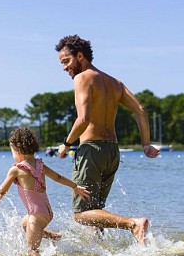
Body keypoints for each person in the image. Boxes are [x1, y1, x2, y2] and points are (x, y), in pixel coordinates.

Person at [55, 34, 160, 244]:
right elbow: (140, 110)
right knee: (95, 211)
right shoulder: (115, 83)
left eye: (66, 61)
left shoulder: (82, 78)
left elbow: (83, 119)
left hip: (91, 151)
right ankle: (100, 254)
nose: (64, 68)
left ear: (80, 56)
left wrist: (66, 145)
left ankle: (133, 224)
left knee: (81, 214)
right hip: (112, 152)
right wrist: (145, 144)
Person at [0, 127, 91, 256]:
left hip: (36, 216)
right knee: (23, 225)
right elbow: (58, 177)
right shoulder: (40, 164)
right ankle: (54, 236)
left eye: (12, 151)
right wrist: (75, 186)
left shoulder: (16, 169)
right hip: (47, 212)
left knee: (31, 250)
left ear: (17, 150)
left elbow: (1, 190)